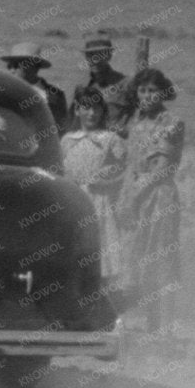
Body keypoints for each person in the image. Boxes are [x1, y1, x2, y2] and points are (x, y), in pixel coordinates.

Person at [121, 68, 185, 334]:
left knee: (161, 262)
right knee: (138, 262)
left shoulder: (171, 122)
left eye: (152, 90)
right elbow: (130, 165)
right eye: (143, 90)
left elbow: (162, 167)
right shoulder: (135, 123)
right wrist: (126, 199)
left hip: (158, 196)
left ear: (163, 92)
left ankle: (166, 328)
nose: (147, 96)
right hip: (135, 196)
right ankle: (150, 323)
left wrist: (136, 195)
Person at [60, 86, 128, 284]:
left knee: (99, 250)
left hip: (100, 202)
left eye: (96, 108)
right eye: (86, 108)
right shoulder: (67, 140)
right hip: (73, 201)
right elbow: (62, 171)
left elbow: (125, 167)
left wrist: (107, 177)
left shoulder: (110, 139)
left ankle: (99, 297)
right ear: (77, 110)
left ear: (102, 111)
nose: (91, 113)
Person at [1, 41, 69, 130]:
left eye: (16, 65)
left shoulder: (56, 95)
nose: (12, 70)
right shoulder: (4, 93)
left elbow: (62, 126)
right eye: (9, 66)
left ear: (33, 66)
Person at [76, 34, 134, 134]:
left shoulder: (125, 84)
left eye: (100, 55)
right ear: (86, 57)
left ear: (109, 56)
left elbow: (139, 116)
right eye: (91, 55)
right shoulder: (83, 87)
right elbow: (75, 121)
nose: (95, 60)